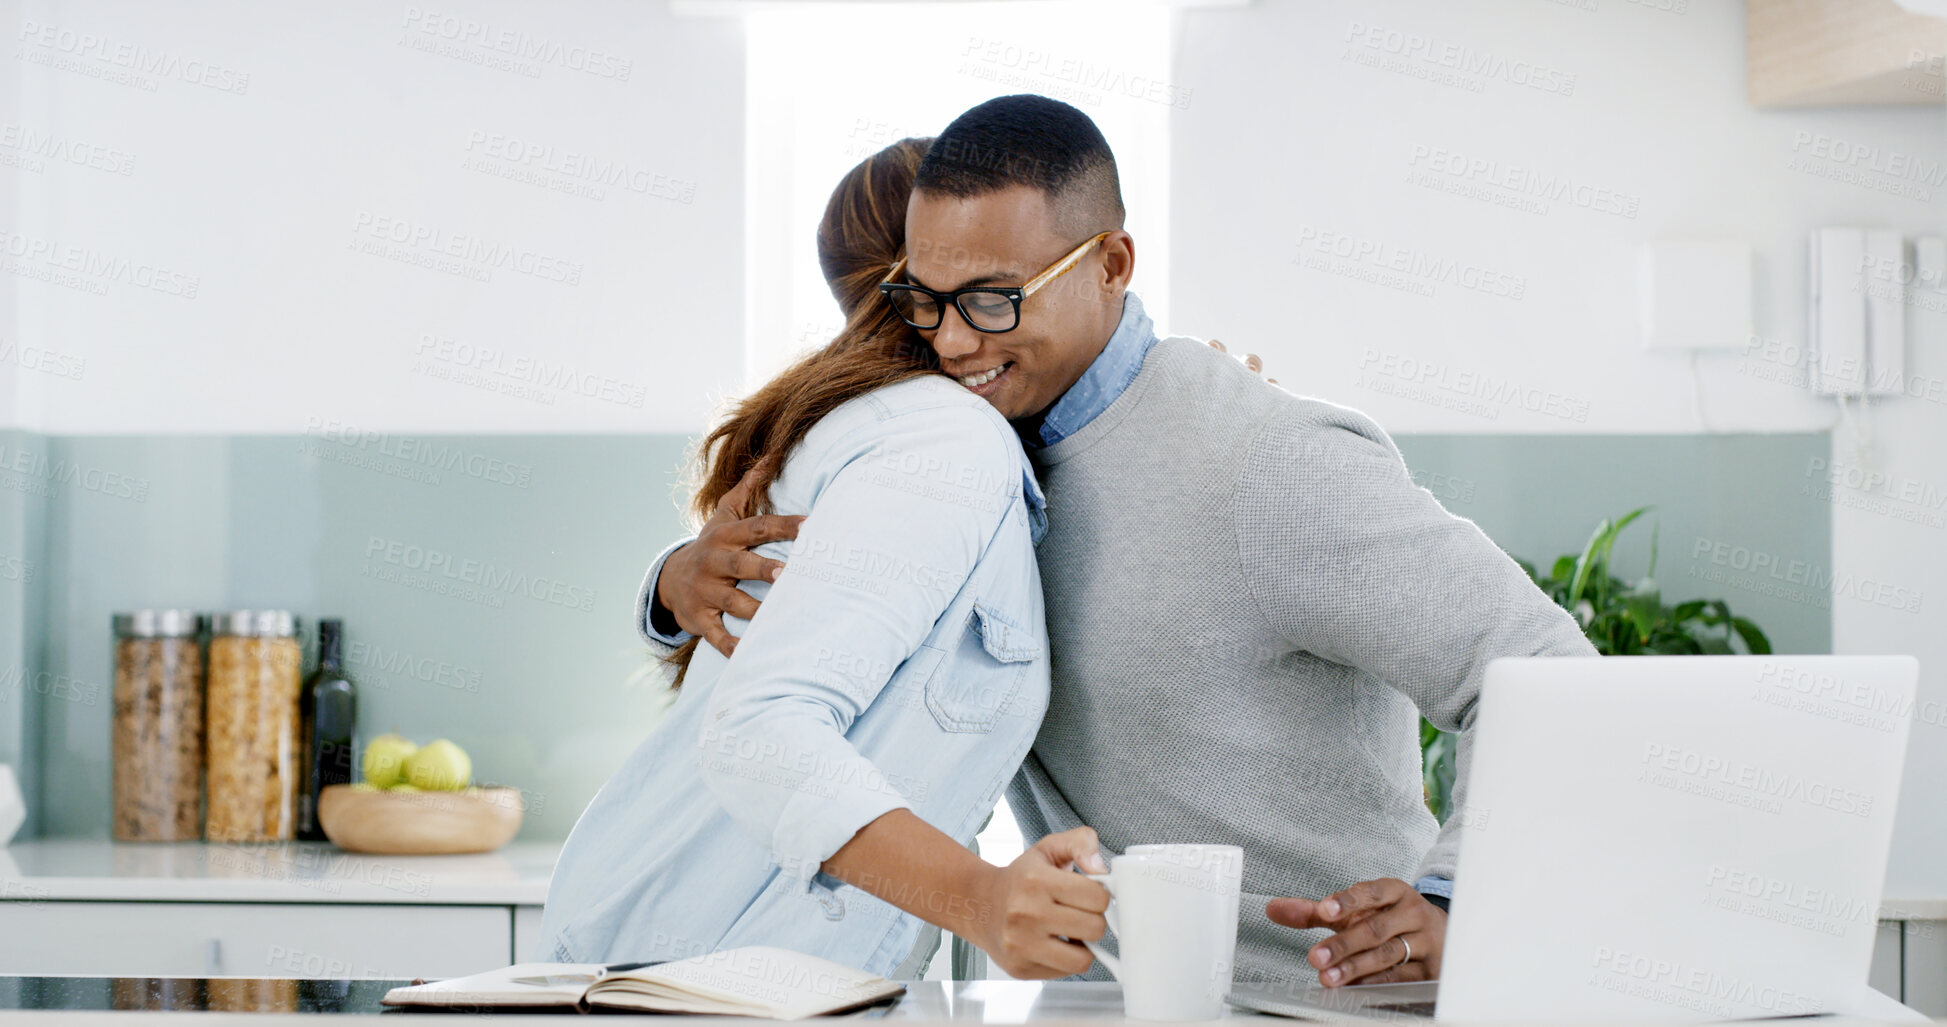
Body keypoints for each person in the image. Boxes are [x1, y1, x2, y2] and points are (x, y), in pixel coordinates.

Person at [641, 95, 1599, 987]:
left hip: (1314, 1003)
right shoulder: (967, 461)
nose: (952, 340)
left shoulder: (1266, 461)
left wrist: (1453, 899)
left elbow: (1545, 668)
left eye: (992, 298)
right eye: (924, 300)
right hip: (1112, 1006)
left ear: (1110, 266)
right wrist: (669, 586)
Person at [542, 137, 1115, 981]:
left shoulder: (877, 421)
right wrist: (982, 900)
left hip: (676, 949)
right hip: (706, 971)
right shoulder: (942, 438)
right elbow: (761, 728)